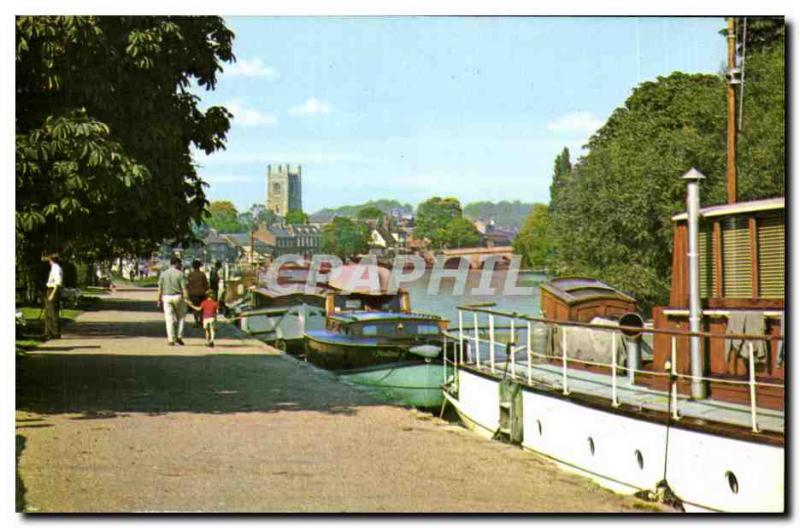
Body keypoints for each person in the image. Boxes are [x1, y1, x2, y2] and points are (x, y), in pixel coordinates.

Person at [157, 256, 188, 346]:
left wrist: (158, 299)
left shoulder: (163, 274)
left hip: (166, 297)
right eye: (180, 264)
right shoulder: (180, 274)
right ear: (176, 263)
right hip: (178, 296)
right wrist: (186, 298)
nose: (180, 265)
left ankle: (171, 339)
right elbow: (184, 288)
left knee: (169, 319)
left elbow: (160, 288)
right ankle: (179, 336)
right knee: (181, 317)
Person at [44, 253, 63, 339]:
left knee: (53, 312)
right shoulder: (54, 268)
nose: (48, 262)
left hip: (53, 290)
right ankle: (48, 332)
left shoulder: (56, 269)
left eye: (49, 260)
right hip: (50, 289)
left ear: (51, 260)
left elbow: (58, 283)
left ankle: (55, 332)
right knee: (48, 313)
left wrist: (52, 294)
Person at [186, 259, 209, 328]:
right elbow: (206, 284)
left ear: (193, 266)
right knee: (202, 308)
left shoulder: (190, 274)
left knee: (195, 308)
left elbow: (188, 284)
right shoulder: (202, 274)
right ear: (199, 266)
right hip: (201, 293)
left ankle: (196, 322)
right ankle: (201, 321)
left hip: (193, 294)